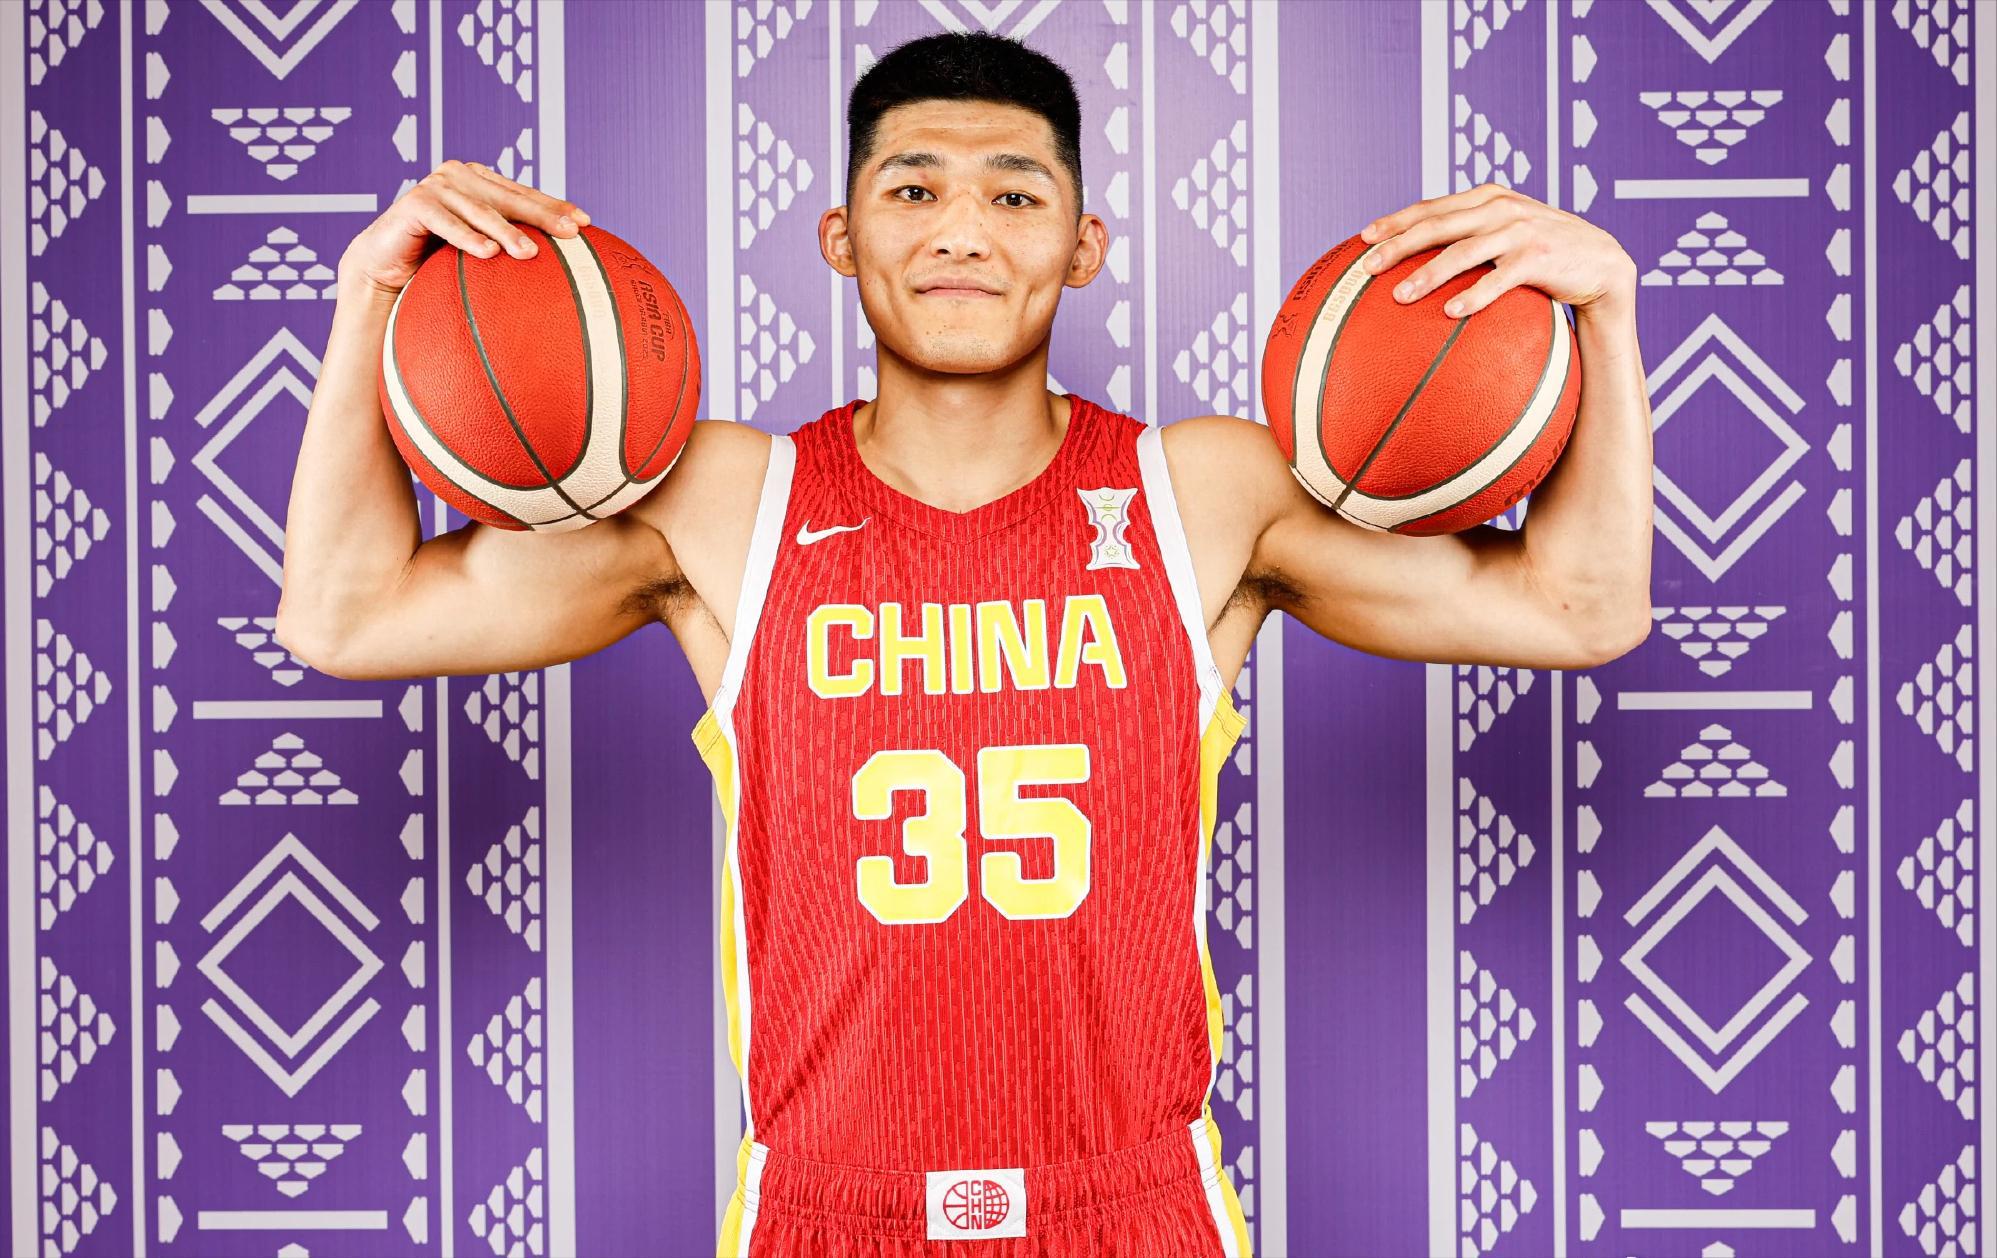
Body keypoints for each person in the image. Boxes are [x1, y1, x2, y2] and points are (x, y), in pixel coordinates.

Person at [276, 29, 1651, 1258]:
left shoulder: (1199, 493)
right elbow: (347, 613)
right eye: (913, 189)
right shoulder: (730, 501)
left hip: (1133, 1207)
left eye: (1013, 195)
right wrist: (367, 298)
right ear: (841, 236)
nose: (961, 233)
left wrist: (1606, 310)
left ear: (1083, 244)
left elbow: (1578, 608)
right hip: (826, 1210)